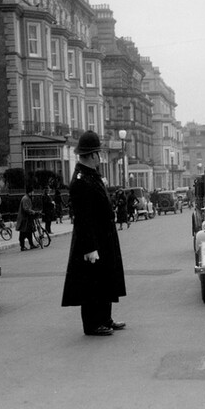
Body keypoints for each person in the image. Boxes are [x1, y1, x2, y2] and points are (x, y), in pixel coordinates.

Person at [61, 130, 127, 337]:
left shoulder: (91, 175)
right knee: (92, 281)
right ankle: (92, 324)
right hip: (93, 239)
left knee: (105, 277)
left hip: (103, 236)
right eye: (98, 153)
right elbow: (83, 218)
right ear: (92, 155)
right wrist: (89, 247)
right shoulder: (81, 180)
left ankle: (105, 318)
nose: (100, 156)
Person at [16, 185, 38, 251]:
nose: (33, 193)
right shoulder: (26, 198)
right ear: (30, 192)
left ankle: (31, 244)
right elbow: (26, 209)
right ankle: (22, 246)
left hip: (27, 218)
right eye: (32, 192)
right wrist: (33, 212)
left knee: (29, 232)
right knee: (23, 233)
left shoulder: (28, 198)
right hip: (24, 219)